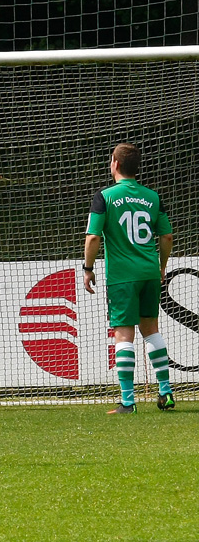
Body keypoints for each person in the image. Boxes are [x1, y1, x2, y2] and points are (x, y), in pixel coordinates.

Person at [84, 143, 175, 414]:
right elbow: (167, 236)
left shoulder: (104, 196)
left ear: (115, 164)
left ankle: (127, 401)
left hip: (122, 276)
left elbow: (93, 237)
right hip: (149, 272)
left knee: (123, 334)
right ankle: (166, 392)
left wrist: (87, 268)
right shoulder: (153, 197)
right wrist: (161, 266)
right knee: (152, 330)